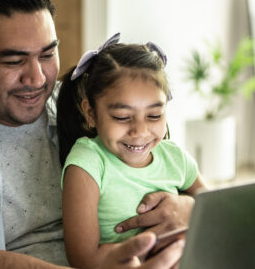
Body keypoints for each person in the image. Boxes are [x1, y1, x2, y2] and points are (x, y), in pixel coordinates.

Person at [0, 0, 195, 268]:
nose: (36, 78)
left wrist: (187, 207)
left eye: (47, 54)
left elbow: (164, 169)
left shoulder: (82, 105)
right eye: (14, 61)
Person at [57, 34, 207, 268]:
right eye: (122, 117)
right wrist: (141, 251)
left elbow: (214, 208)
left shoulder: (175, 156)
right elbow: (82, 258)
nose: (139, 131)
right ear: (90, 113)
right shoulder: (87, 162)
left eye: (154, 116)